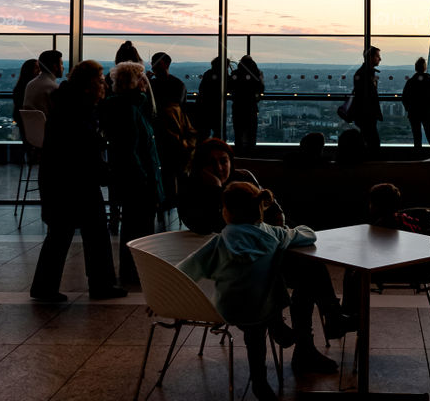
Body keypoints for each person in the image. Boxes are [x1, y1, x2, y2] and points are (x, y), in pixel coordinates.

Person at [181, 181, 353, 394]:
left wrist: (164, 294)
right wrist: (292, 228)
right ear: (259, 208)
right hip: (262, 306)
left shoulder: (221, 241)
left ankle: (260, 380)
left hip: (230, 308)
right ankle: (289, 325)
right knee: (274, 282)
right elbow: (309, 234)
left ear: (226, 212)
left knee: (254, 333)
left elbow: (189, 268)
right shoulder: (273, 234)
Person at [30, 60, 125, 303]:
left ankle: (45, 286)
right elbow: (84, 150)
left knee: (61, 234)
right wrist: (106, 173)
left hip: (61, 180)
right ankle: (101, 283)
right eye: (100, 80)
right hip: (75, 182)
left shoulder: (68, 105)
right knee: (94, 232)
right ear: (88, 85)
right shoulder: (80, 111)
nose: (104, 85)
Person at [100, 61, 163, 284]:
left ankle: (132, 271)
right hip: (139, 179)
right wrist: (145, 179)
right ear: (135, 82)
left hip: (131, 178)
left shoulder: (121, 107)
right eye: (142, 77)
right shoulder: (131, 109)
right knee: (140, 226)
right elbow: (132, 148)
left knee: (133, 225)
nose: (146, 81)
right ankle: (135, 272)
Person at [179, 137, 269, 234]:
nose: (219, 168)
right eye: (211, 163)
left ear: (231, 162)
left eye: (223, 161)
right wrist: (216, 189)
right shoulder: (189, 187)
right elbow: (203, 228)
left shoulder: (245, 180)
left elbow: (269, 216)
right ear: (200, 167)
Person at [148, 51, 193, 211]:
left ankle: (168, 199)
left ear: (165, 64)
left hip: (162, 133)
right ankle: (179, 201)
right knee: (175, 169)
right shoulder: (177, 84)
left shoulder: (151, 85)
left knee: (167, 170)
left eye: (156, 63)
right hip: (173, 133)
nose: (153, 65)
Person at [401, 57, 430, 153]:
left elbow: (404, 97)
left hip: (414, 113)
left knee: (417, 137)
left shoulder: (410, 82)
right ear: (425, 68)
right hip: (428, 113)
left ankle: (418, 159)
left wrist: (408, 109)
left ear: (415, 68)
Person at [351, 45, 383, 153]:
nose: (380, 59)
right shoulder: (366, 74)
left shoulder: (362, 73)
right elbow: (367, 95)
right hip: (367, 114)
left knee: (368, 140)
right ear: (371, 57)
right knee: (373, 142)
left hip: (365, 114)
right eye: (378, 56)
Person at [232, 55, 265, 154]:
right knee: (251, 133)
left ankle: (239, 154)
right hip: (251, 107)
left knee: (238, 133)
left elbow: (229, 87)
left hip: (238, 107)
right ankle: (251, 153)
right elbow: (261, 89)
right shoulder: (256, 75)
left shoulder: (236, 74)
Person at [195, 57, 230, 140]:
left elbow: (201, 89)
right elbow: (229, 87)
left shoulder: (208, 73)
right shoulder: (223, 75)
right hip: (216, 108)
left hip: (204, 107)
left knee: (203, 133)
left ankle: (202, 150)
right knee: (219, 132)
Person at [23, 49, 64, 118]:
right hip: (48, 128)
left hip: (32, 127)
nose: (63, 68)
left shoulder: (30, 84)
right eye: (61, 64)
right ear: (55, 66)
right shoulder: (52, 87)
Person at [12, 58, 40, 138]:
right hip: (29, 122)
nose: (39, 71)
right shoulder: (29, 88)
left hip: (23, 121)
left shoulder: (19, 87)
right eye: (36, 68)